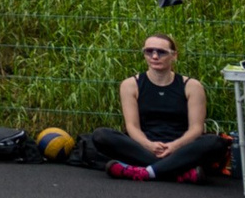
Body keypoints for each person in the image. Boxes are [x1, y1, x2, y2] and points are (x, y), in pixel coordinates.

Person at [92, 35, 228, 182]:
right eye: (149, 51)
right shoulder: (130, 85)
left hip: (182, 148)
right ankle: (178, 172)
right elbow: (132, 126)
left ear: (174, 55)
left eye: (161, 52)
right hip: (143, 147)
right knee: (101, 135)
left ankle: (147, 172)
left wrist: (175, 146)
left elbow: (196, 129)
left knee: (216, 143)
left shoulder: (192, 86)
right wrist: (149, 145)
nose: (154, 56)